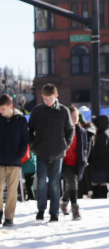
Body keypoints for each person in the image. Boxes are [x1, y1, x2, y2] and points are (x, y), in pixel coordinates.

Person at [28, 84, 74, 222]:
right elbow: (29, 130)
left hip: (57, 151)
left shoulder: (63, 111)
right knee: (41, 181)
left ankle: (54, 212)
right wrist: (32, 143)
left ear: (56, 96)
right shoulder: (36, 111)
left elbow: (70, 130)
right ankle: (41, 210)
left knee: (54, 183)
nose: (48, 101)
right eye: (45, 99)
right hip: (40, 150)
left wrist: (65, 145)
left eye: (51, 98)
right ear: (42, 97)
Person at [0, 95, 29, 227]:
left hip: (14, 159)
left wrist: (20, 154)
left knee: (12, 189)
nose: (1, 111)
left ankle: (9, 217)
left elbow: (25, 139)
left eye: (3, 108)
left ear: (10, 107)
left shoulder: (20, 120)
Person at [60, 106, 90, 220]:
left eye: (77, 116)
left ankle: (64, 202)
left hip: (77, 163)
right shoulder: (62, 130)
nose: (75, 118)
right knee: (72, 181)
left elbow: (86, 146)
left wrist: (85, 157)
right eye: (73, 116)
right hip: (64, 163)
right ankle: (75, 208)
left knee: (71, 184)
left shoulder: (81, 131)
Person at [90, 115, 109, 198]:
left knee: (96, 181)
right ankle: (101, 195)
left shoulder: (102, 135)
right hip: (103, 163)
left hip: (100, 163)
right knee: (102, 181)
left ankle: (98, 195)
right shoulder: (105, 133)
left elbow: (102, 149)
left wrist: (92, 154)